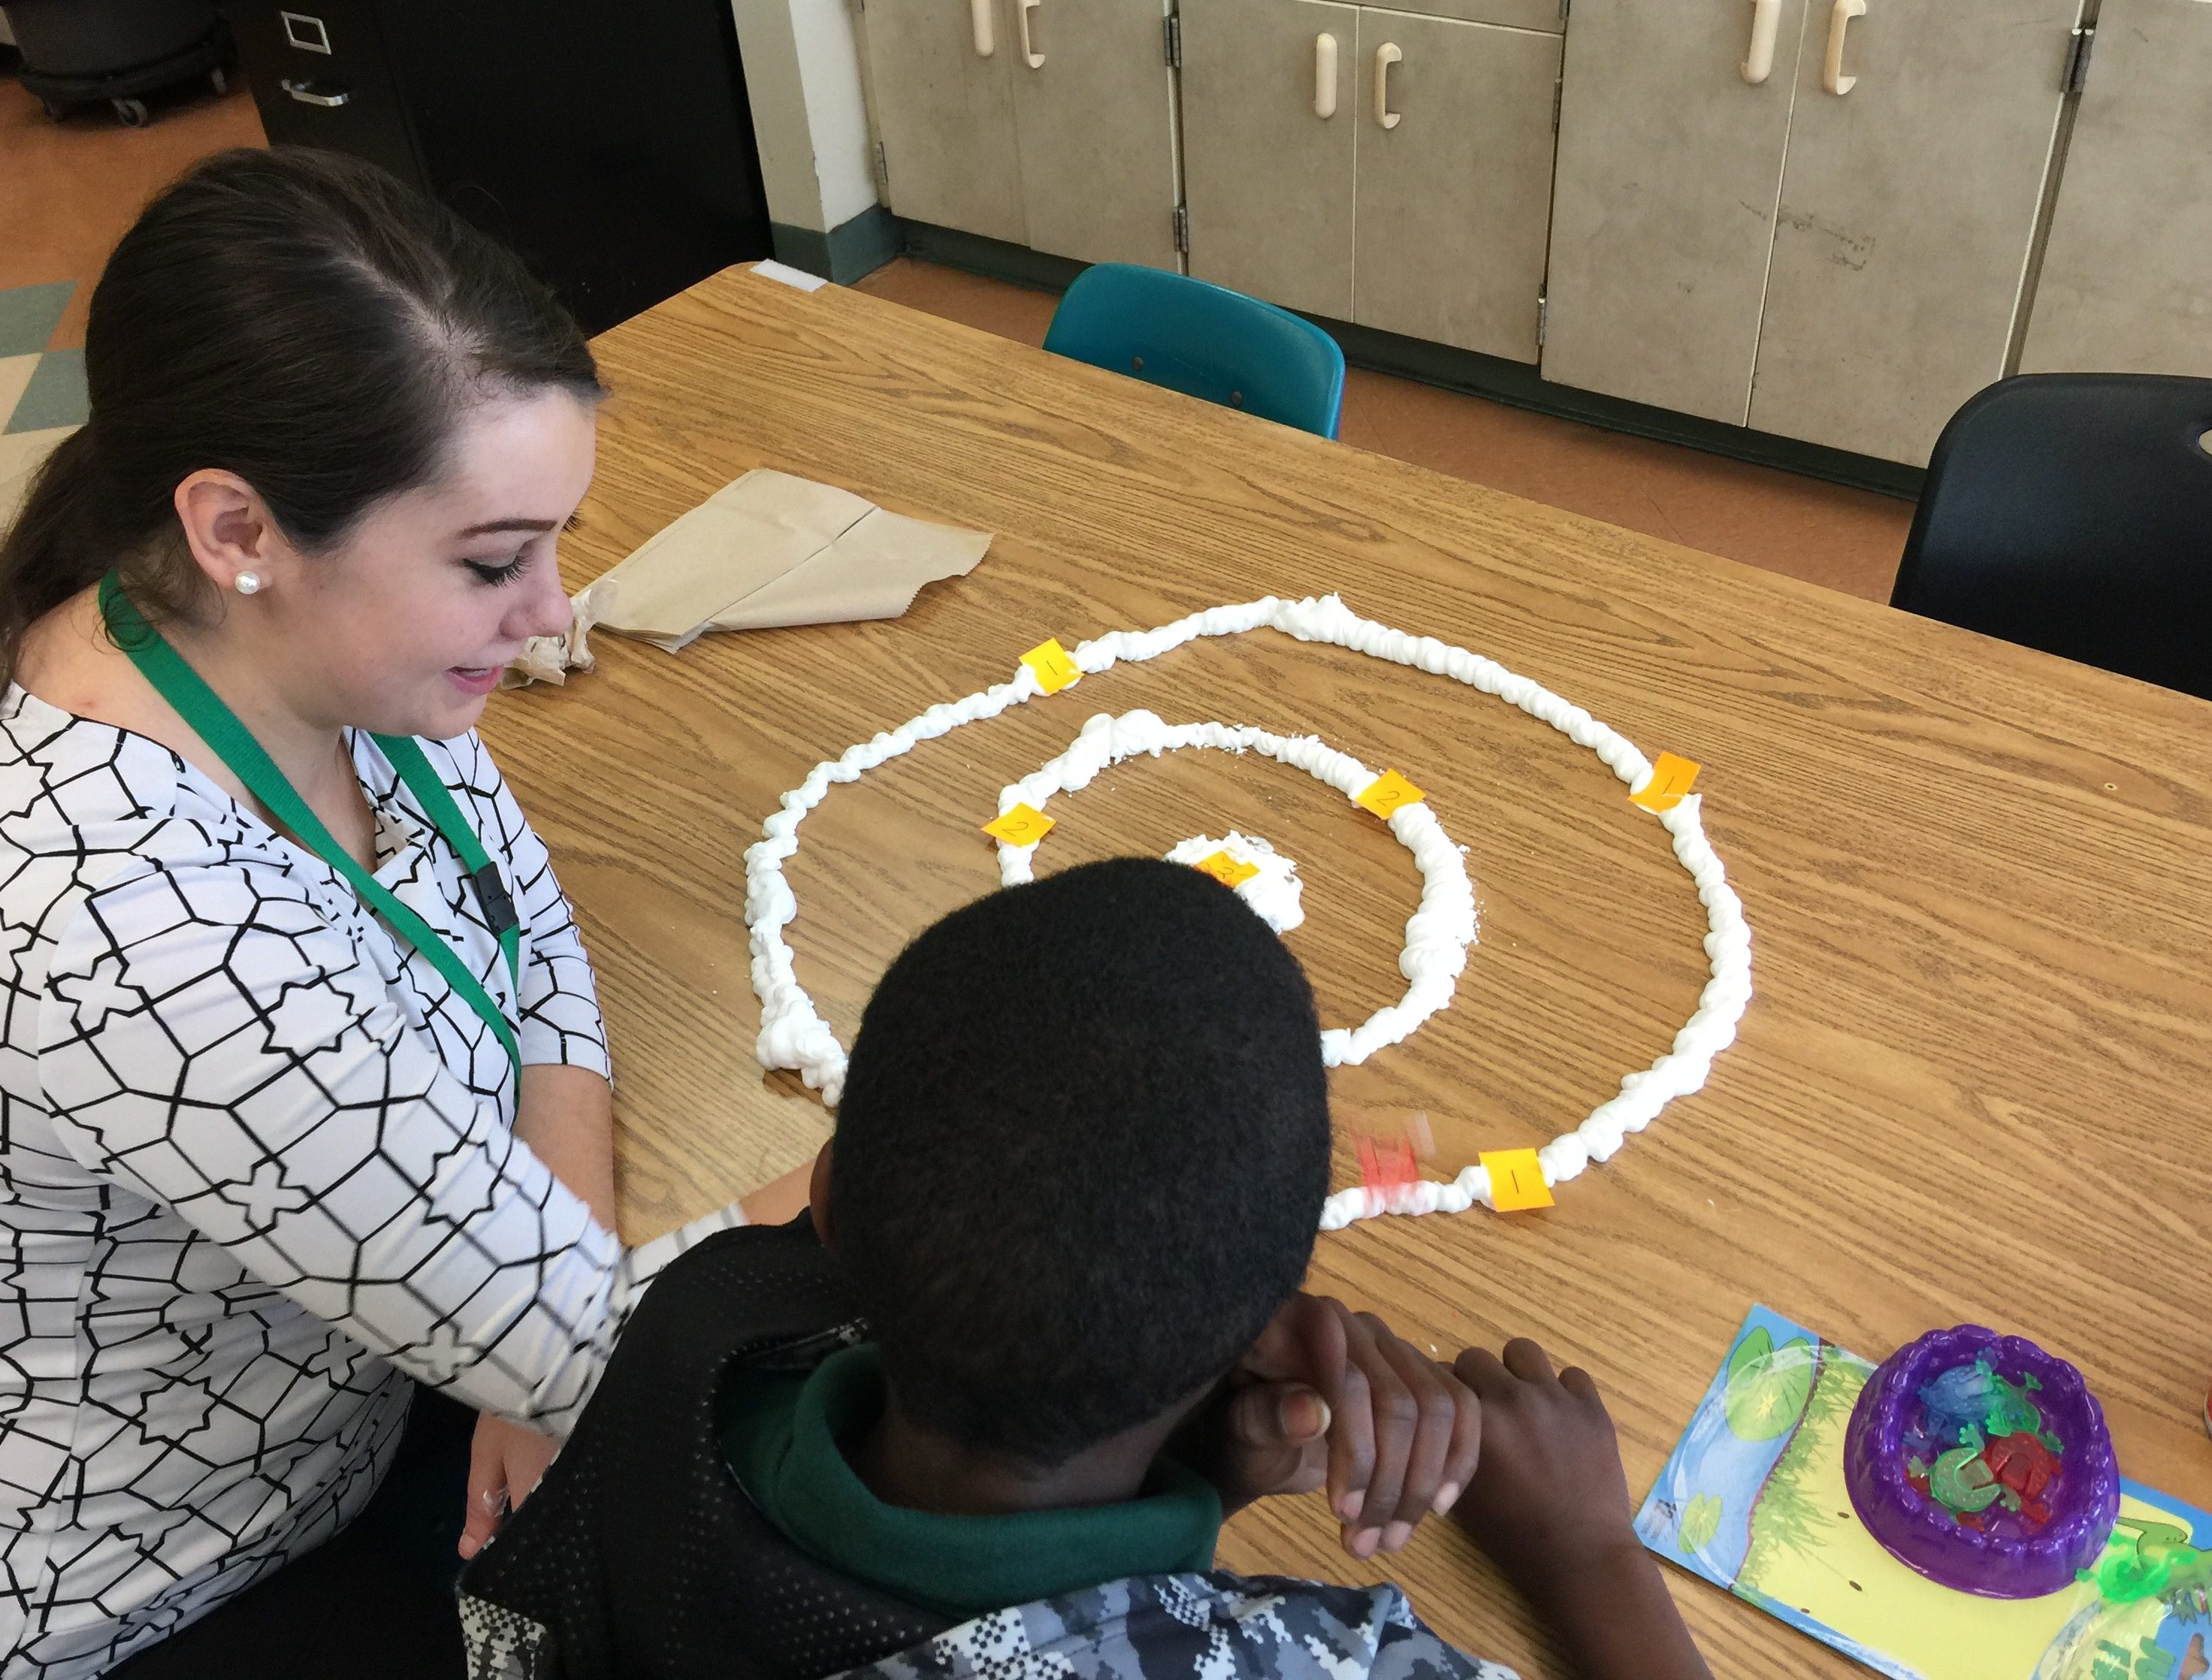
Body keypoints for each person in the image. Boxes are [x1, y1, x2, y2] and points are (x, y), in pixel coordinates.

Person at [0, 147, 737, 1678]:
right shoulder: (132, 933)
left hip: (406, 1373)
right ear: (238, 529)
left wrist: (525, 1328)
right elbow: (637, 1349)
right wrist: (539, 1328)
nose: (549, 613)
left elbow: (539, 957)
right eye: (491, 560)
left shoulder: (332, 662)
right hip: (185, 1575)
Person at [457, 858, 1712, 1680]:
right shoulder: (1310, 1662)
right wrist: (1587, 1551)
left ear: (827, 1201)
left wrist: (1192, 1484)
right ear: (1262, 1324)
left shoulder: (704, 1314)